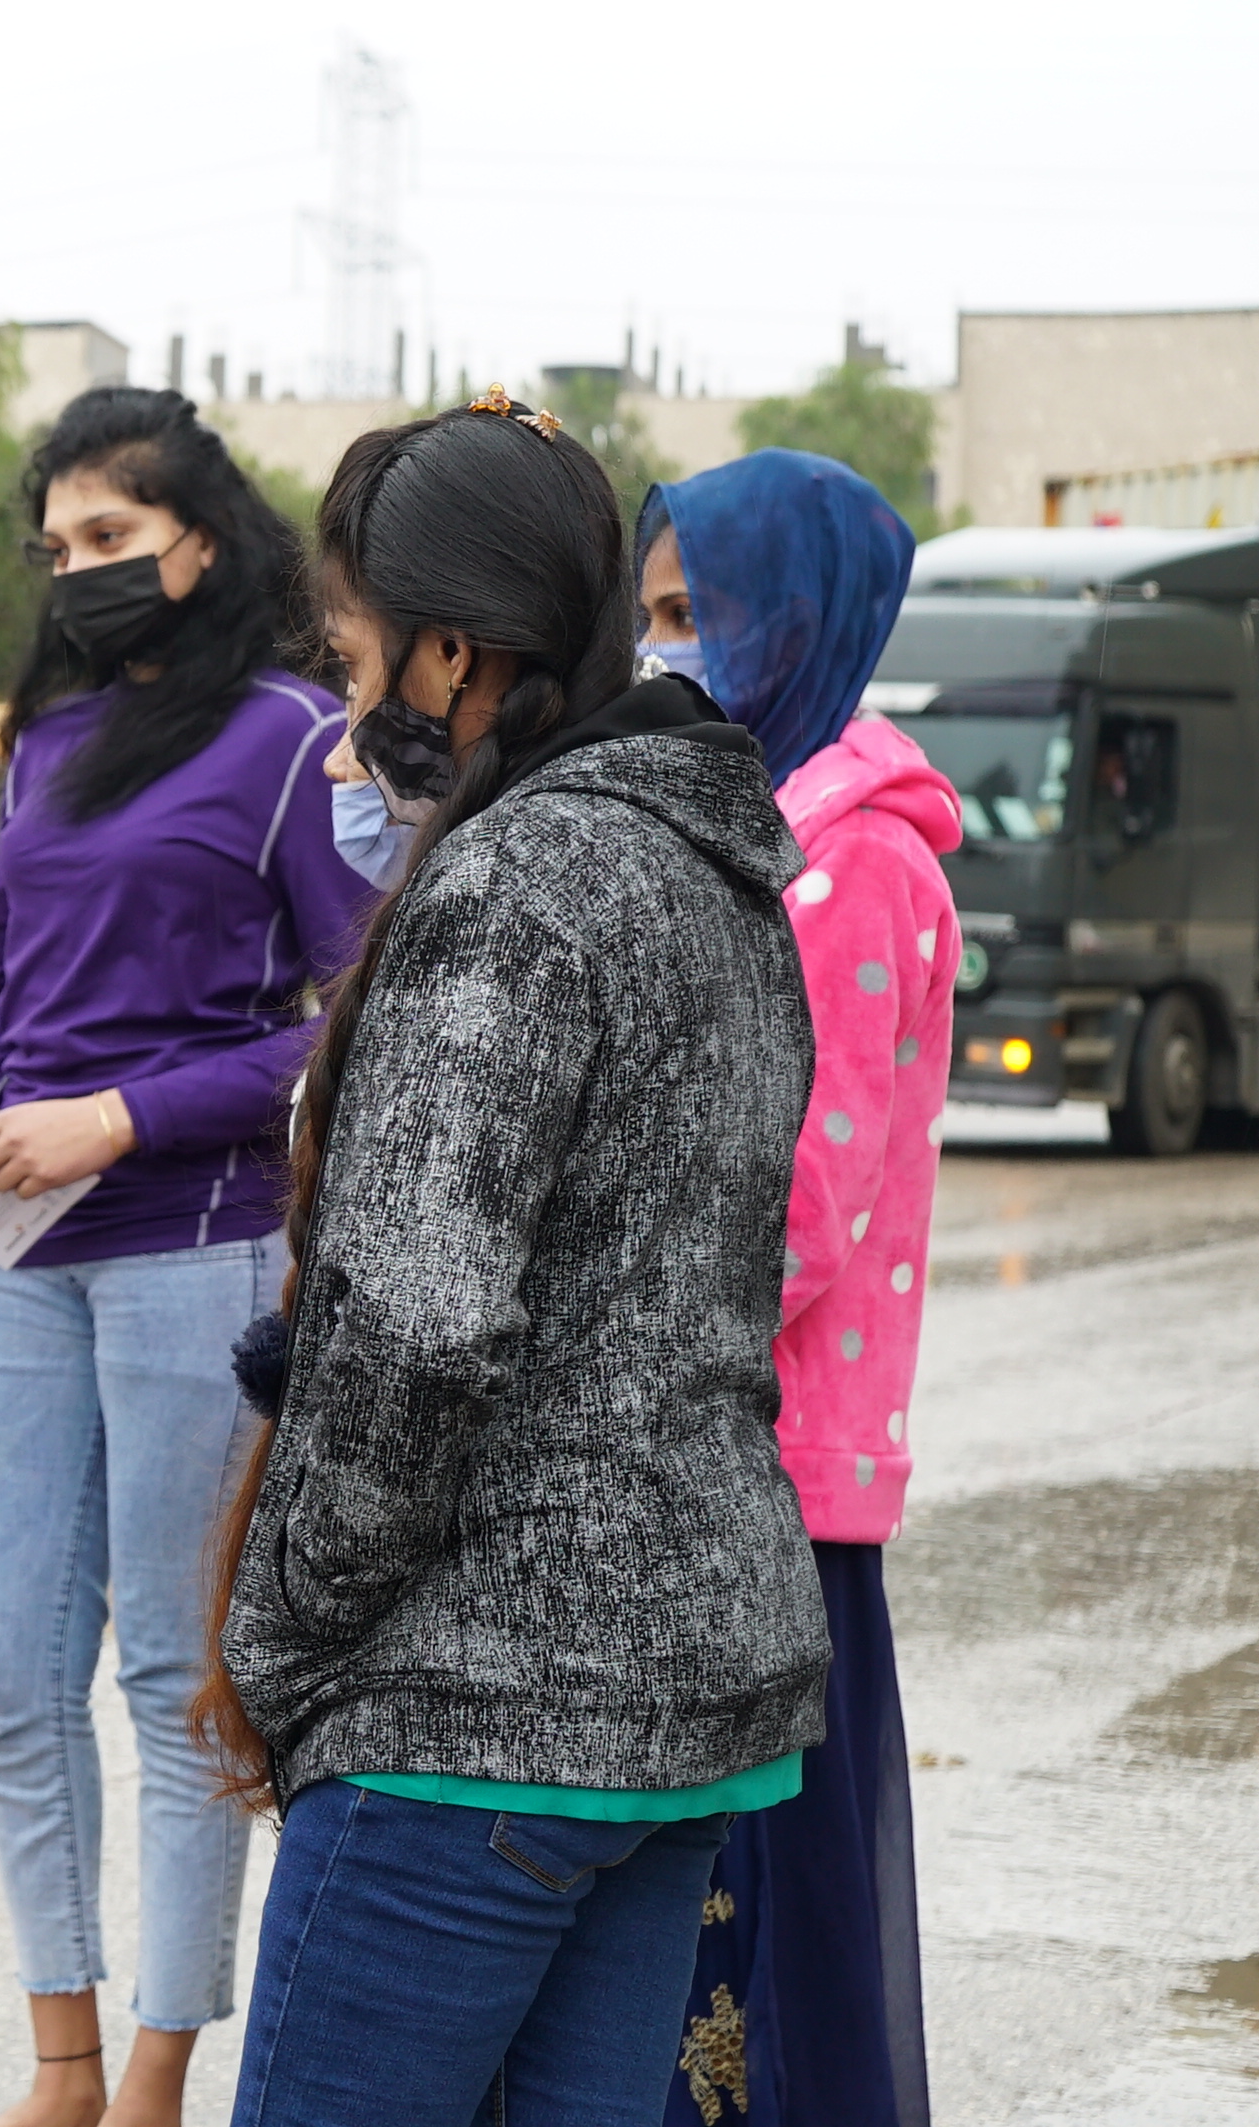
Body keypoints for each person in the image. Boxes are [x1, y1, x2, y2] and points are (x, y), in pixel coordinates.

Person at [207, 391, 829, 2127]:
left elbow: (416, 1331)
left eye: (355, 662)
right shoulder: (720, 873)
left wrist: (284, 1632)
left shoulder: (516, 886)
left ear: (455, 658)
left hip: (473, 1721)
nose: (347, 716)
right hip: (680, 1713)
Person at [0, 386, 375, 2127]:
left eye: (109, 541)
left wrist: (121, 1122)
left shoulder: (297, 740)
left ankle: (161, 2069)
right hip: (28, 1258)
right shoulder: (54, 739)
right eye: (56, 544)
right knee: (9, 1669)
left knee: (170, 1676)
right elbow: (9, 1003)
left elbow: (344, 1021)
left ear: (200, 545)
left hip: (194, 1257)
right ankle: (58, 2068)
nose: (74, 572)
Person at [636, 450, 958, 2127]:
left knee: (756, 1957)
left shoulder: (854, 859)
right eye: (655, 618)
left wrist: (606, 1353)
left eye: (702, 616)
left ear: (804, 616)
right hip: (710, 1446)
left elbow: (796, 1202)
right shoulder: (757, 815)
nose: (670, 652)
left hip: (772, 1479)